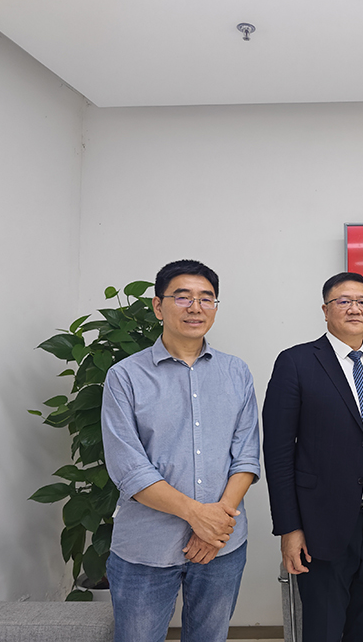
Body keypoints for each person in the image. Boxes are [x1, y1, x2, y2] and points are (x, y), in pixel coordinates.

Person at [101, 259, 261, 642]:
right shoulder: (125, 377)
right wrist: (197, 516)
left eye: (206, 298)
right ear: (158, 306)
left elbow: (246, 457)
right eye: (183, 297)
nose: (196, 308)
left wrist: (213, 526)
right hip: (146, 548)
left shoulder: (236, 372)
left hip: (221, 546)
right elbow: (129, 469)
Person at [263, 271, 363, 642]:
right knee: (324, 630)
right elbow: (278, 452)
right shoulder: (296, 362)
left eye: (362, 301)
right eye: (343, 301)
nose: (354, 308)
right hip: (321, 525)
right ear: (326, 310)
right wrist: (289, 528)